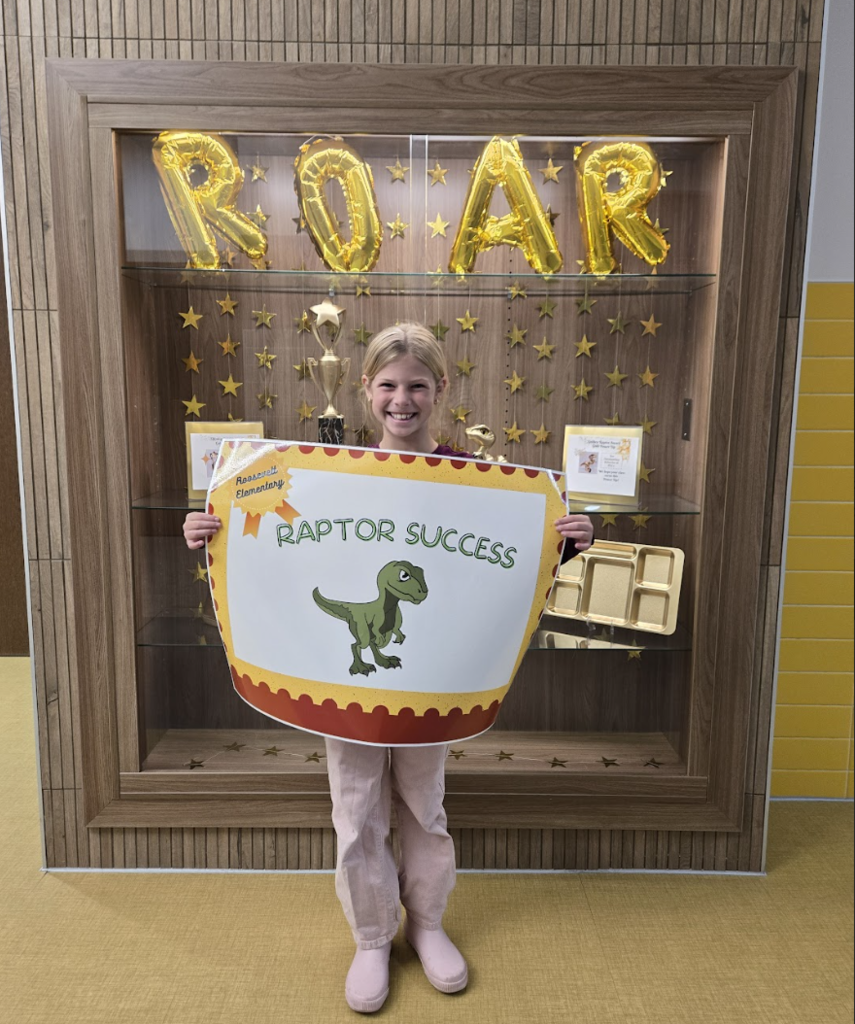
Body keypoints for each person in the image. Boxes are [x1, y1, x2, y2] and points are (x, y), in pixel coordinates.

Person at [183, 322, 594, 1013]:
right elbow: (275, 542)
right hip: (343, 685)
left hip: (430, 685)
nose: (402, 400)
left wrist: (569, 540)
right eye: (388, 385)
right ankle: (372, 936)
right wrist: (209, 530)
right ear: (366, 389)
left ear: (441, 390)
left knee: (424, 809)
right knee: (356, 809)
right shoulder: (327, 473)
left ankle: (427, 923)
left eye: (417, 386)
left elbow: (505, 561)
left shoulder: (476, 479)